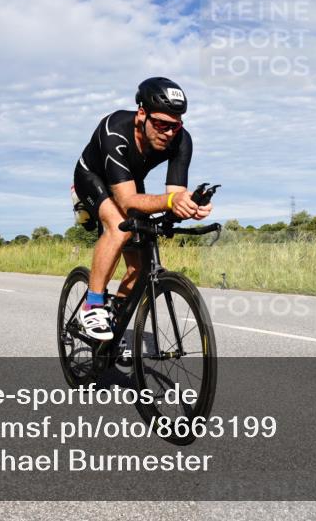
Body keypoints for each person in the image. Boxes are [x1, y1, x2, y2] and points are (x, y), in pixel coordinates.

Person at [72, 77, 213, 340]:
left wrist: (189, 206)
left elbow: (173, 197)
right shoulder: (114, 129)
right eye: (161, 124)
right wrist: (172, 201)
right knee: (118, 226)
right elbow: (126, 202)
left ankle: (114, 322)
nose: (169, 132)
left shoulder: (180, 140)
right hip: (92, 177)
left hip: (130, 181)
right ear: (141, 114)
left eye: (176, 125)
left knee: (141, 264)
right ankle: (92, 304)